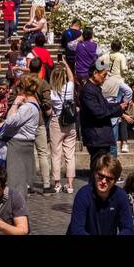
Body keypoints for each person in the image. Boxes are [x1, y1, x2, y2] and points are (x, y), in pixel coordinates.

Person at [68, 152, 134, 235]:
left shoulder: (121, 196)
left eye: (109, 179)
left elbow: (128, 228)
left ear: (115, 181)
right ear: (95, 174)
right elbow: (77, 230)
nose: (103, 181)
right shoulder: (83, 195)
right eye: (101, 176)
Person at [80, 58, 126, 167]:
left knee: (100, 167)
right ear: (95, 73)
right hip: (96, 136)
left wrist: (119, 106)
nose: (105, 78)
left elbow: (104, 106)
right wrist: (118, 108)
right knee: (98, 168)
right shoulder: (88, 91)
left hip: (100, 136)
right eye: (104, 75)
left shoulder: (95, 89)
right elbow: (99, 112)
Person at [0, 75, 42, 197]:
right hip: (24, 146)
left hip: (18, 147)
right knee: (19, 183)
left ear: (22, 90)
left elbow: (10, 121)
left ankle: (15, 211)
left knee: (15, 183)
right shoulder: (32, 106)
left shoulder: (27, 107)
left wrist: (15, 104)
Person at [48, 61, 77, 194]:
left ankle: (57, 183)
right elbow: (72, 78)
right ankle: (70, 184)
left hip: (56, 123)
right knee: (70, 154)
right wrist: (66, 64)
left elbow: (49, 110)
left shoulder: (51, 92)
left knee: (56, 154)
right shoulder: (69, 88)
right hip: (70, 122)